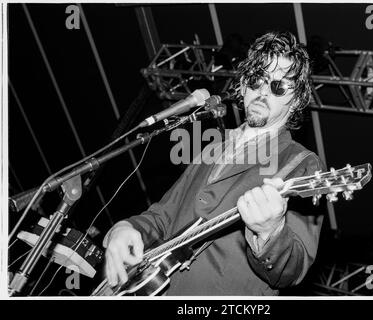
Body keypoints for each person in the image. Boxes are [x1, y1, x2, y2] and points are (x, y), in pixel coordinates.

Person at [102, 31, 324, 296]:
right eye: (256, 80)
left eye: (278, 86)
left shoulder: (301, 164)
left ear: (297, 100)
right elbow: (164, 216)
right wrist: (128, 227)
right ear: (242, 86)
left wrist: (271, 233)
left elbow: (293, 269)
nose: (263, 92)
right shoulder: (213, 147)